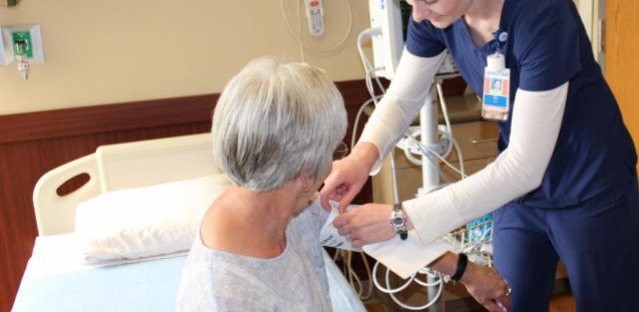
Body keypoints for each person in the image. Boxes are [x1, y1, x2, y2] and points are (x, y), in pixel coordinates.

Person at [319, 0, 639, 311]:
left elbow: (525, 166)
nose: (417, 14)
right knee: (508, 300)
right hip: (521, 194)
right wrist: (362, 158)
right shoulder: (437, 12)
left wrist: (401, 218)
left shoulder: (542, 14)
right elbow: (403, 96)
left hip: (588, 187)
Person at [176, 57, 511, 312]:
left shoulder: (278, 204)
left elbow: (370, 231)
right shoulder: (224, 296)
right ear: (304, 173)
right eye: (334, 150)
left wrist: (468, 272)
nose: (336, 163)